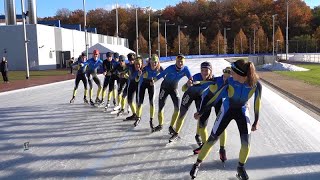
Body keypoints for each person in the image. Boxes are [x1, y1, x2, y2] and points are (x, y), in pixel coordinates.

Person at [189, 59, 262, 180]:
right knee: (211, 140)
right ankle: (197, 164)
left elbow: (257, 103)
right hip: (227, 110)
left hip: (242, 112)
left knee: (246, 144)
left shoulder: (256, 84)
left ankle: (240, 168)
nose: (230, 73)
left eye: (232, 71)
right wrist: (201, 111)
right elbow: (216, 97)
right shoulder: (230, 81)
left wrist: (256, 120)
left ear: (240, 74)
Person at [169, 62, 230, 159]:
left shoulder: (216, 79)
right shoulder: (196, 77)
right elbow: (183, 88)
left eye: (206, 70)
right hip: (190, 95)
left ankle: (220, 148)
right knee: (184, 115)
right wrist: (188, 84)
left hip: (206, 99)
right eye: (202, 70)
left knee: (213, 124)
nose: (204, 73)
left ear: (211, 71)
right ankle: (177, 133)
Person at [152, 54, 193, 133]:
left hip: (174, 88)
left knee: (177, 109)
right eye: (178, 61)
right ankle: (160, 125)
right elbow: (162, 74)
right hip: (164, 88)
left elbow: (191, 78)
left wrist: (191, 82)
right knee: (161, 107)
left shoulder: (185, 69)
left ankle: (171, 126)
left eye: (181, 62)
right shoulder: (171, 68)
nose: (180, 63)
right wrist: (154, 80)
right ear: (176, 61)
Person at [134, 54, 164, 130]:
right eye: (152, 62)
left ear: (158, 63)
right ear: (150, 62)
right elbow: (136, 80)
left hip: (151, 84)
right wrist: (139, 75)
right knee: (140, 102)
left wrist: (156, 80)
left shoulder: (160, 68)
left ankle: (151, 120)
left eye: (155, 62)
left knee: (152, 102)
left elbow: (165, 77)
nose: (154, 64)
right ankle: (138, 117)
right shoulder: (146, 68)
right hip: (143, 84)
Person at [125, 56, 143, 121]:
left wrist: (138, 75)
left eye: (139, 64)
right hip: (132, 84)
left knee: (138, 101)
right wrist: (123, 73)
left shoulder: (142, 70)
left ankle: (138, 116)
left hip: (139, 85)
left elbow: (137, 79)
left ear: (141, 65)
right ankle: (134, 114)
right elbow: (124, 69)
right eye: (136, 64)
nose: (137, 66)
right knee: (129, 100)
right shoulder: (130, 67)